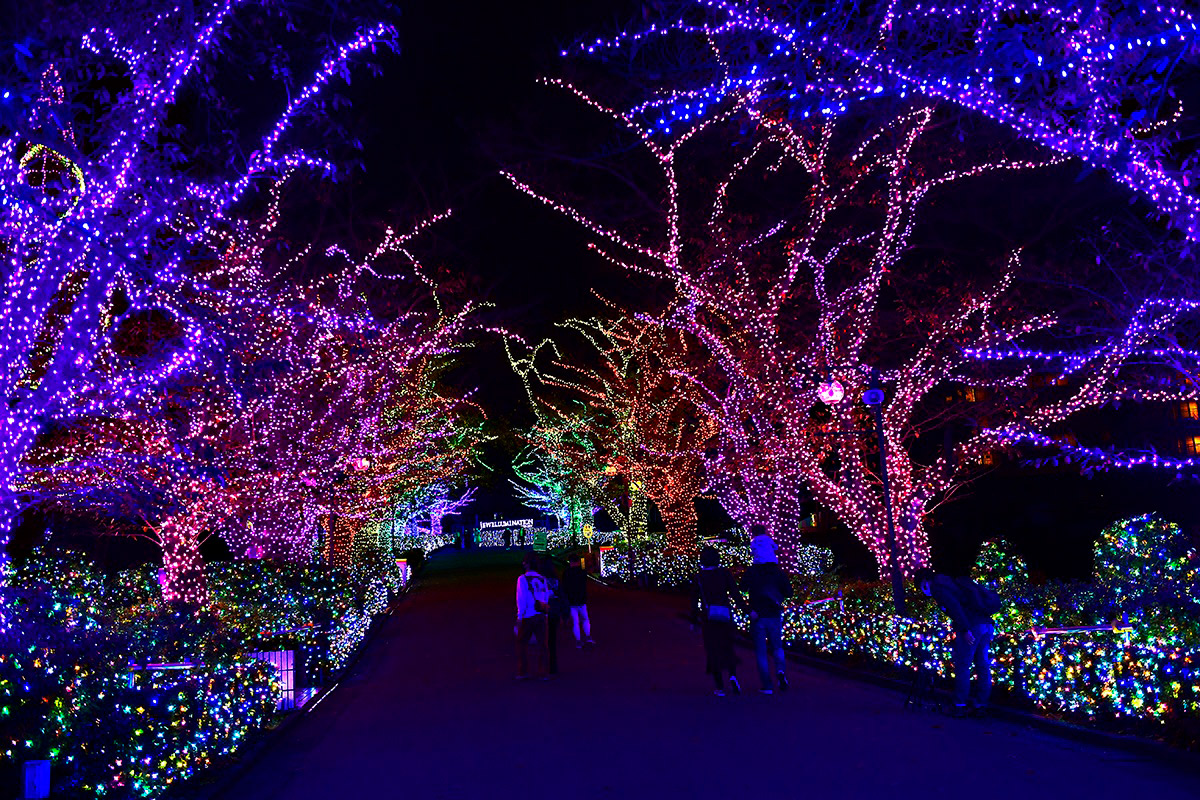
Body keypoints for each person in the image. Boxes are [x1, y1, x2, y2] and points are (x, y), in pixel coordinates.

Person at [913, 567, 997, 716]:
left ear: (924, 582)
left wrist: (965, 629)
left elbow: (954, 607)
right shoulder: (948, 581)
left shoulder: (937, 587)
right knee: (982, 665)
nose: (924, 592)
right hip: (986, 624)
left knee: (963, 665)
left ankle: (959, 705)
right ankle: (980, 705)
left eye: (921, 587)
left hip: (972, 626)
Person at [739, 527, 794, 694]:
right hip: (774, 613)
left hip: (757, 614)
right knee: (777, 646)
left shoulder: (751, 571)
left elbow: (742, 588)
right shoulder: (778, 572)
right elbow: (789, 592)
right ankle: (781, 671)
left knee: (761, 651)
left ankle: (767, 685)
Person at [691, 545, 747, 696]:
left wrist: (693, 620)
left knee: (712, 649)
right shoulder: (724, 574)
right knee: (727, 646)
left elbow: (694, 600)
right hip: (725, 614)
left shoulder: (699, 577)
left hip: (708, 617)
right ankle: (733, 676)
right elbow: (735, 594)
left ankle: (720, 687)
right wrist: (747, 610)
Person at [515, 554, 550, 680]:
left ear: (527, 564)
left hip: (528, 615)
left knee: (521, 644)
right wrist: (545, 613)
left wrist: (519, 616)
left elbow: (521, 599)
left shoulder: (522, 579)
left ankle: (523, 671)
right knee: (543, 645)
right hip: (540, 615)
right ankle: (543, 672)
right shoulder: (542, 579)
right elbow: (546, 597)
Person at [538, 554, 565, 675]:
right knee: (552, 641)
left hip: (543, 612)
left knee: (543, 641)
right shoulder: (555, 581)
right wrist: (564, 613)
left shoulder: (540, 580)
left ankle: (544, 667)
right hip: (554, 612)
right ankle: (552, 667)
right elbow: (561, 597)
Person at [562, 554, 594, 647]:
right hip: (581, 599)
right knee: (585, 619)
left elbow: (565, 587)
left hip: (571, 600)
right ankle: (588, 637)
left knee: (575, 621)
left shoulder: (566, 573)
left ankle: (578, 640)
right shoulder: (582, 572)